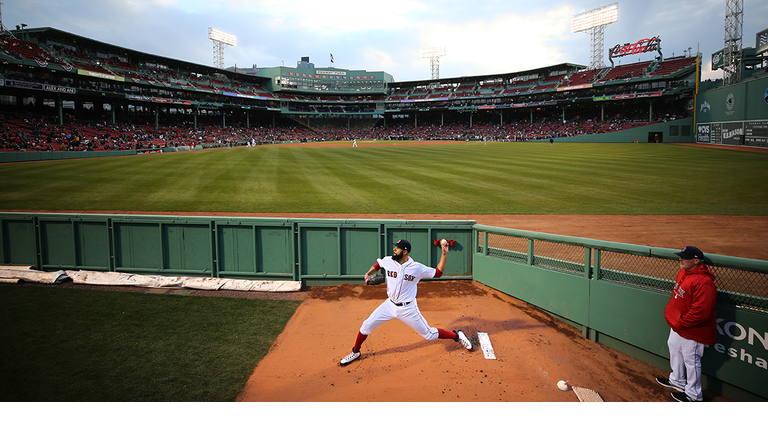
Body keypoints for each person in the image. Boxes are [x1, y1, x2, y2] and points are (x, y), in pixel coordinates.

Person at [339, 239, 473, 366]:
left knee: (429, 335)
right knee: (366, 325)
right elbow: (378, 264)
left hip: (408, 309)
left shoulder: (416, 268)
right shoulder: (388, 260)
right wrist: (367, 274)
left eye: (397, 248)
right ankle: (355, 352)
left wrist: (444, 254)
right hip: (389, 305)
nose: (394, 249)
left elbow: (438, 273)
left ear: (405, 252)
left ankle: (457, 335)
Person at [655, 246, 717, 402]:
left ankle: (694, 395)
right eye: (680, 256)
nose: (680, 259)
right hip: (678, 324)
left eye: (684, 257)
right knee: (673, 347)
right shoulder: (683, 273)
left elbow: (701, 312)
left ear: (696, 261)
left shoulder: (705, 282)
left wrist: (681, 322)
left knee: (692, 360)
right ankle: (677, 380)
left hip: (693, 329)